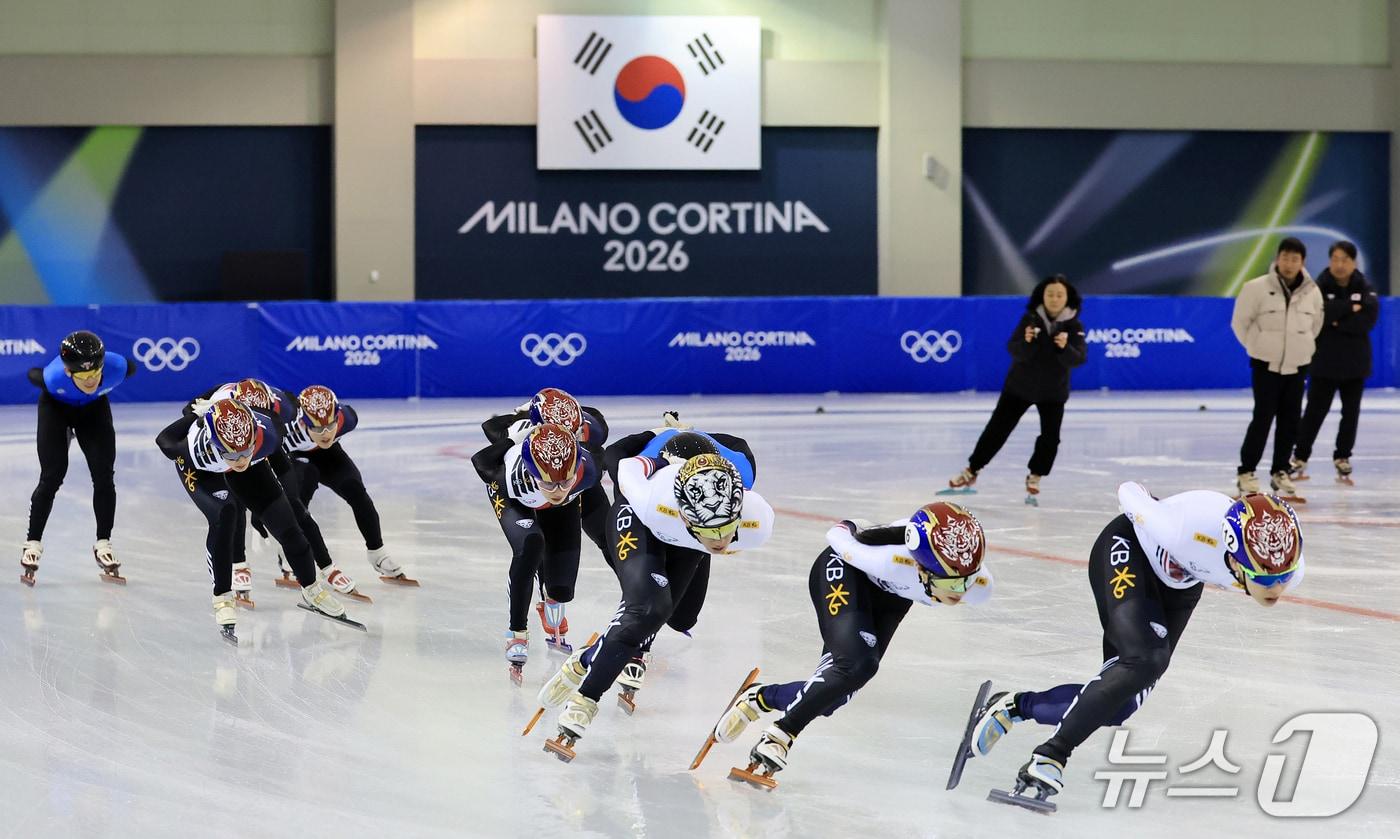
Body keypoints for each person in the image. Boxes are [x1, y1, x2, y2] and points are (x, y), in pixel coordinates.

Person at [965, 483, 1304, 813]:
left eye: (1284, 576)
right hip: (1128, 548)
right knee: (1146, 659)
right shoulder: (1183, 531)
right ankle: (1051, 756)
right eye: (1265, 578)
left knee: (1119, 704)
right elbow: (1130, 491)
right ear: (1233, 558)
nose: (1276, 587)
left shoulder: (1282, 557)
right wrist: (1155, 510)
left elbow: (1278, 566)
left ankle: (1014, 706)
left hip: (1179, 583)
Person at [710, 502, 993, 788]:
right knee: (858, 665)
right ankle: (780, 735)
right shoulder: (889, 560)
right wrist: (854, 526)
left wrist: (959, 579)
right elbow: (838, 536)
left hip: (890, 597)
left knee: (833, 696)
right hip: (845, 568)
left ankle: (759, 699)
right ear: (920, 567)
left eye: (968, 581)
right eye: (953, 585)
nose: (962, 592)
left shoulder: (978, 584)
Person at [533, 449, 774, 761]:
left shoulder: (758, 521)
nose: (720, 540)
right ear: (687, 515)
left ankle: (589, 658)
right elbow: (621, 460)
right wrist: (658, 458)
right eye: (710, 530)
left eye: (727, 528)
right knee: (648, 607)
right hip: (640, 519)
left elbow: (738, 464)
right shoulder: (652, 501)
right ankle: (584, 701)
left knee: (681, 617)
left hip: (687, 537)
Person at [155, 398, 360, 643]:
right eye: (233, 454)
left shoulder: (266, 435)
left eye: (245, 450)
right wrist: (194, 417)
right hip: (204, 473)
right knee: (226, 515)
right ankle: (222, 597)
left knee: (289, 525)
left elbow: (280, 461)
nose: (240, 459)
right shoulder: (195, 449)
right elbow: (163, 440)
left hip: (253, 463)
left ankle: (312, 589)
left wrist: (291, 499)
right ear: (213, 444)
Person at [596, 422, 759, 710]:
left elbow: (739, 444)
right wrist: (652, 435)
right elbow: (613, 454)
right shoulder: (641, 480)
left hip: (692, 529)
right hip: (647, 517)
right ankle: (636, 650)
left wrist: (711, 535)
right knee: (646, 591)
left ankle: (701, 540)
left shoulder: (740, 475)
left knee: (682, 619)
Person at [471, 422, 599, 682]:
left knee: (562, 590)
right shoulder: (510, 476)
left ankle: (548, 596)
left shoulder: (590, 470)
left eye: (565, 481)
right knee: (530, 545)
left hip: (559, 504)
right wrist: (515, 437)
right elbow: (480, 459)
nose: (558, 491)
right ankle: (516, 632)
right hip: (515, 499)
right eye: (550, 484)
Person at [481, 388, 609, 643]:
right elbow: (486, 444)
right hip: (524, 492)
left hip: (568, 485)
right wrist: (516, 427)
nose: (564, 439)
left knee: (564, 585)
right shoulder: (515, 465)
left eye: (572, 432)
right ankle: (518, 629)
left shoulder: (590, 448)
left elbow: (598, 425)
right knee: (532, 543)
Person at [946, 275, 1087, 500]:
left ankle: (1036, 474)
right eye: (1050, 294)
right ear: (1042, 296)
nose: (1054, 299)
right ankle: (972, 470)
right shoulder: (1029, 320)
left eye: (1059, 295)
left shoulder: (1074, 326)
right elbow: (1014, 350)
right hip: (1019, 388)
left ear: (1067, 298)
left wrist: (1064, 348)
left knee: (1050, 437)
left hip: (1053, 392)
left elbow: (1078, 359)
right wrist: (1027, 342)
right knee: (997, 430)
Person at [22, 330, 137, 585]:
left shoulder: (117, 368)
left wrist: (95, 381)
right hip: (56, 409)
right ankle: (32, 543)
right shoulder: (52, 378)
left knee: (104, 476)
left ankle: (103, 543)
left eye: (96, 374)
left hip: (93, 411)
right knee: (52, 476)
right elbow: (33, 374)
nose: (91, 381)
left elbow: (133, 367)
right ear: (68, 372)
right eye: (84, 376)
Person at [282, 385, 413, 584]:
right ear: (303, 422)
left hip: (329, 455)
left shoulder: (348, 419)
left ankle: (377, 553)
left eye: (330, 425)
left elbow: (329, 435)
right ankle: (290, 555)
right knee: (299, 504)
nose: (326, 433)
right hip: (294, 458)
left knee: (356, 491)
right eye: (317, 428)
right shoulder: (286, 430)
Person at [1230, 237, 1323, 498]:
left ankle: (1280, 470)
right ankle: (1246, 471)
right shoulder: (1256, 288)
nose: (1289, 263)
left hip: (1297, 365)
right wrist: (1257, 345)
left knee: (1290, 421)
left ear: (1302, 262)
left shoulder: (1312, 292)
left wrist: (1301, 347)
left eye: (1295, 259)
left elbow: (1316, 325)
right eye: (1285, 257)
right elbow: (1240, 323)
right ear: (1277, 259)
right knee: (1263, 417)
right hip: (1265, 365)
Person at [1290, 240, 1380, 484]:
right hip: (1324, 363)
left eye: (1345, 260)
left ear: (1354, 263)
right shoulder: (1317, 287)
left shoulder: (1365, 287)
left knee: (1350, 414)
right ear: (1330, 261)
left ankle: (1342, 457)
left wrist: (1337, 320)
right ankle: (1299, 456)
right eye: (1335, 259)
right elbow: (1320, 314)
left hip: (1355, 365)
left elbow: (1367, 320)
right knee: (1314, 413)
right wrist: (1351, 307)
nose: (1340, 265)